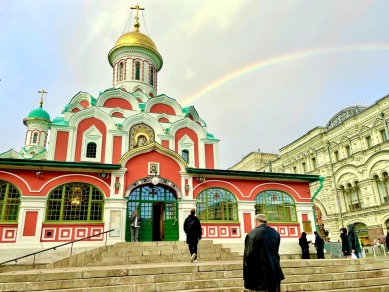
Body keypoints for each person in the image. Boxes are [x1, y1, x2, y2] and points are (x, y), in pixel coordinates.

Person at [243, 214, 284, 292]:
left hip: (259, 274)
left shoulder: (252, 233)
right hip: (275, 271)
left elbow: (248, 255)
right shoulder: (275, 233)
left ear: (256, 221)